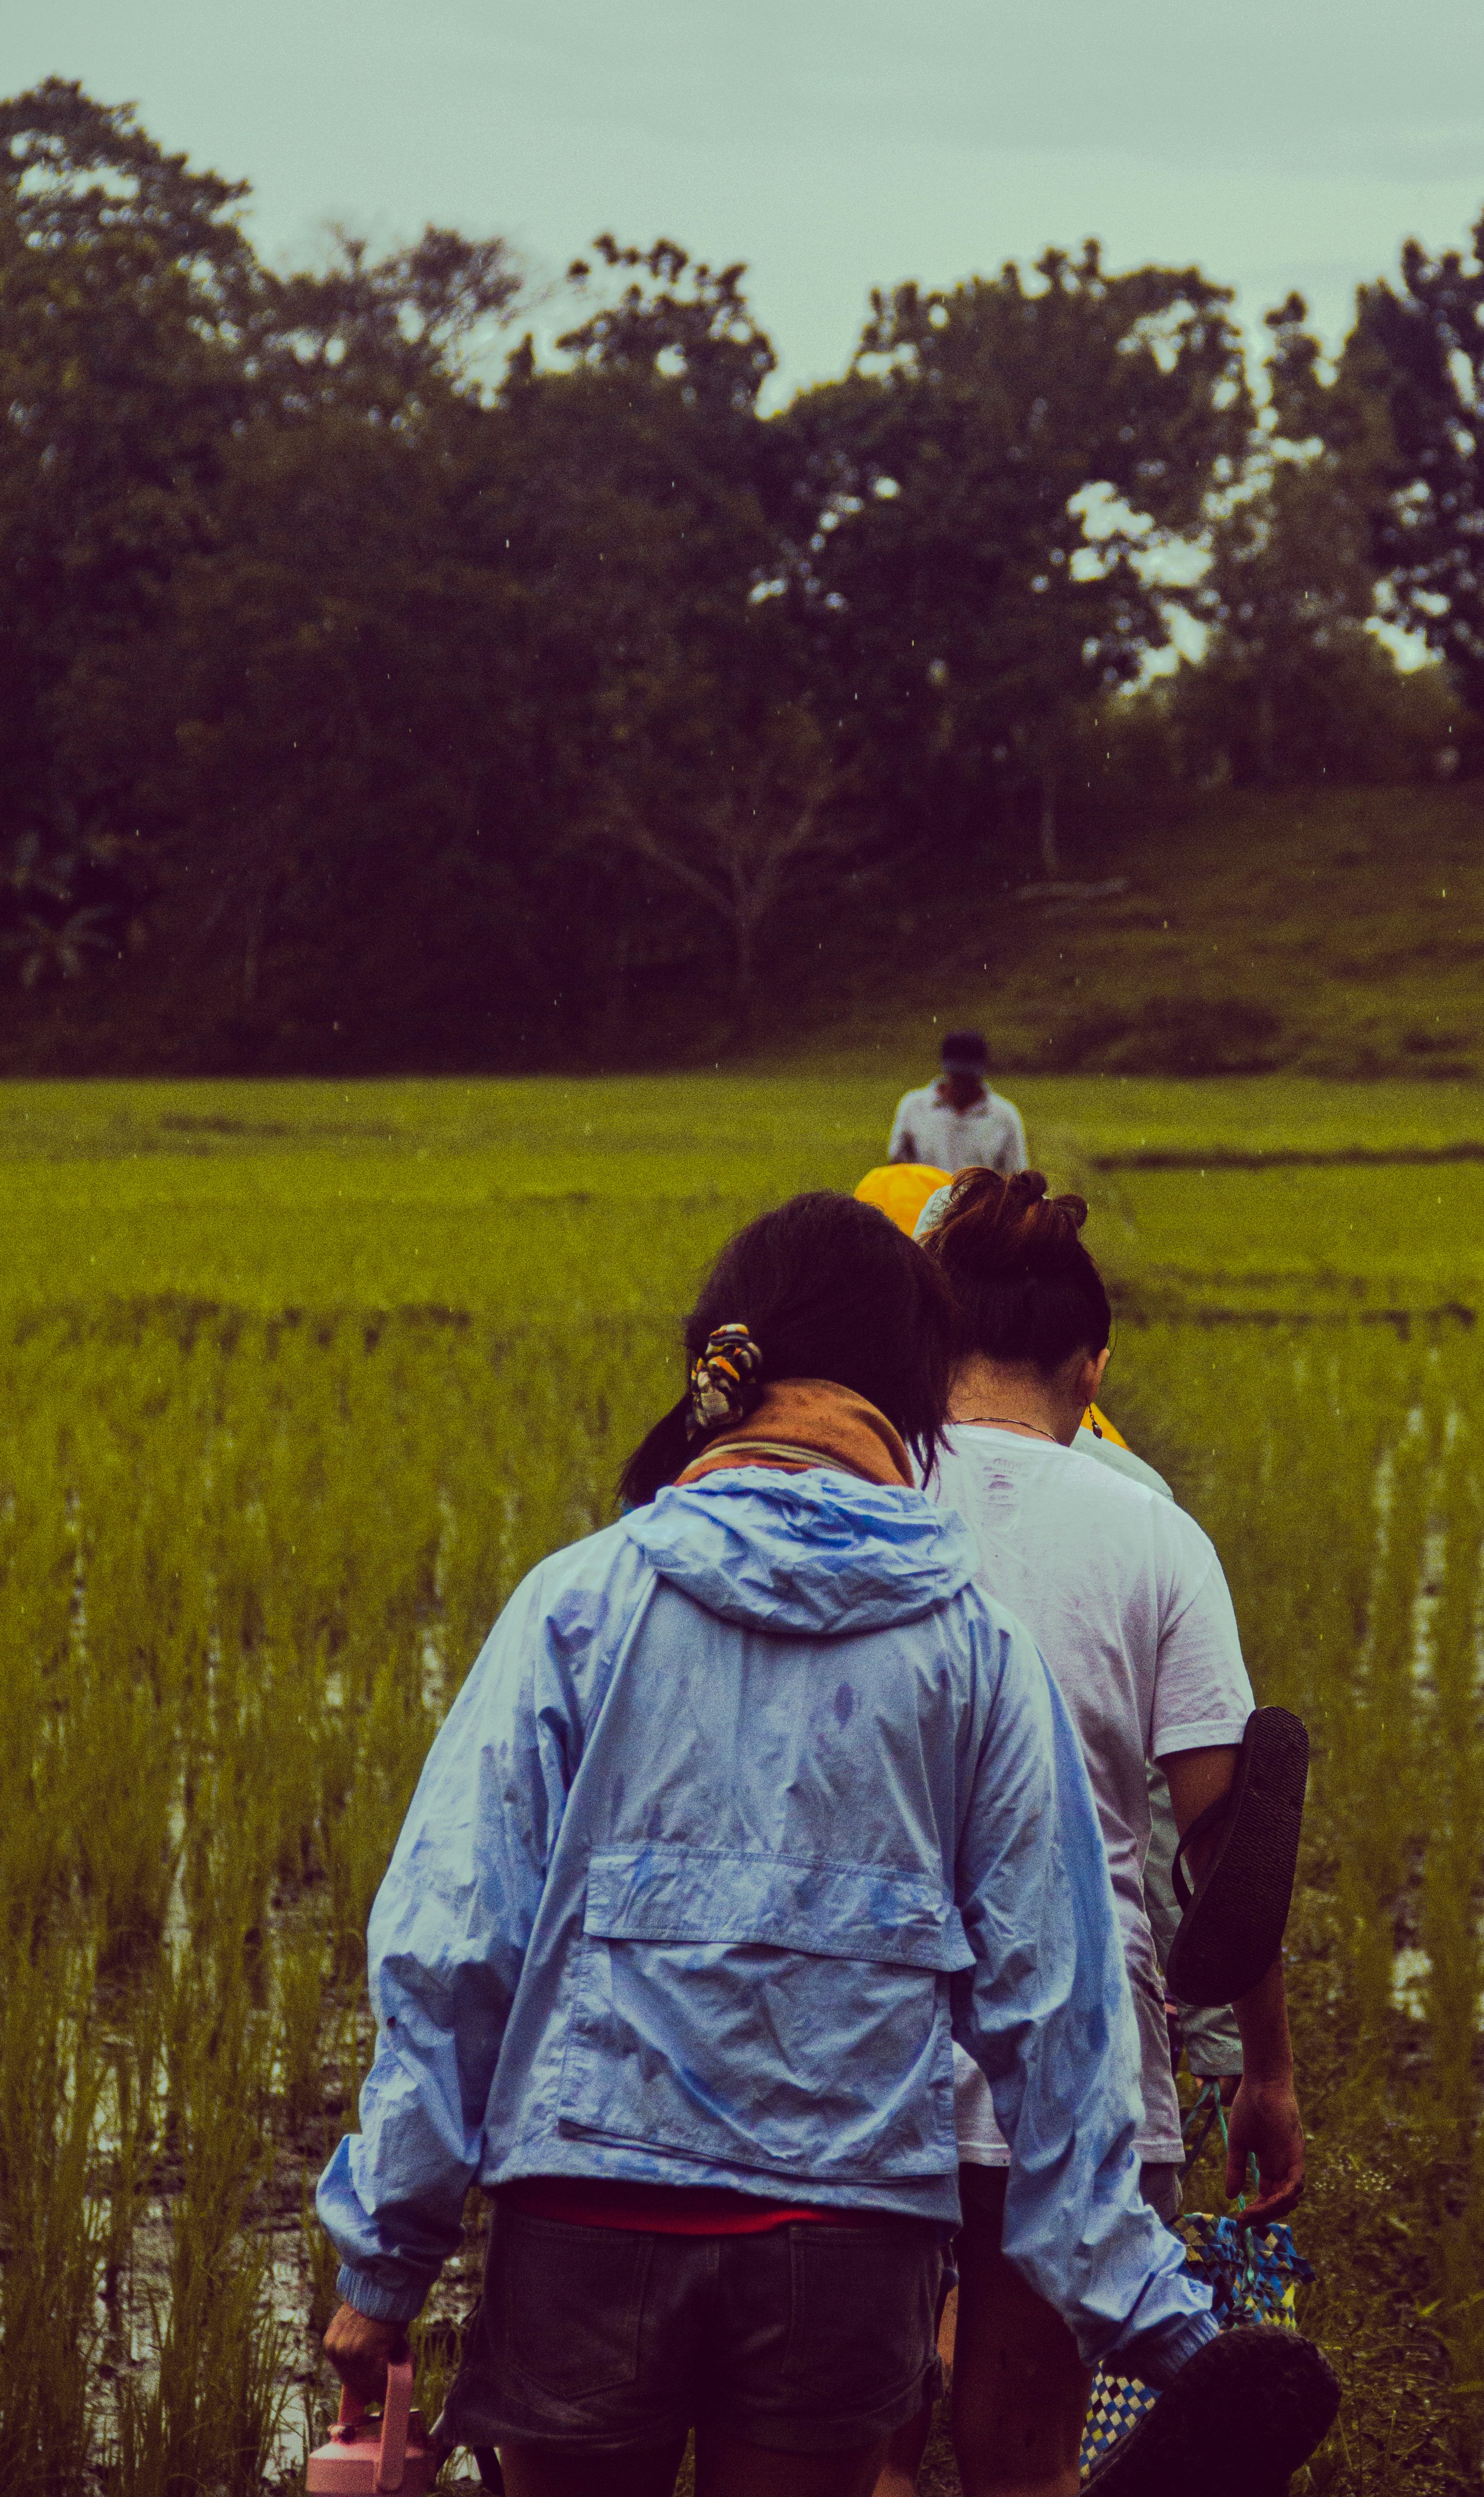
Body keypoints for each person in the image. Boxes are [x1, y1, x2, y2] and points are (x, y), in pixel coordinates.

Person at [314, 1190, 1335, 2497]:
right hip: (847, 2242)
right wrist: (1155, 2312)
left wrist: (387, 2260)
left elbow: (454, 1948)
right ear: (911, 1388)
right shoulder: (974, 1647)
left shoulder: (582, 1601)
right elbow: (1054, 2001)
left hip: (588, 2214)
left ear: (729, 1365)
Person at [882, 1169, 1305, 2497]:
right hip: (1076, 2062)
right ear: (1093, 1361)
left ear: (930, 1346)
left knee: (863, 2457)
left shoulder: (854, 1501)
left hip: (851, 2058)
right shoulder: (1149, 1530)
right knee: (1029, 2462)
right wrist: (1265, 2069)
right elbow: (1220, 1852)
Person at [887, 1031, 1027, 1177]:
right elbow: (897, 1168)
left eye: (969, 1078)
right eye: (957, 1076)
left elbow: (1016, 1178)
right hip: (924, 1197)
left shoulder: (1004, 1115)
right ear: (946, 1071)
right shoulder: (914, 1106)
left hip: (980, 1199)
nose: (963, 1084)